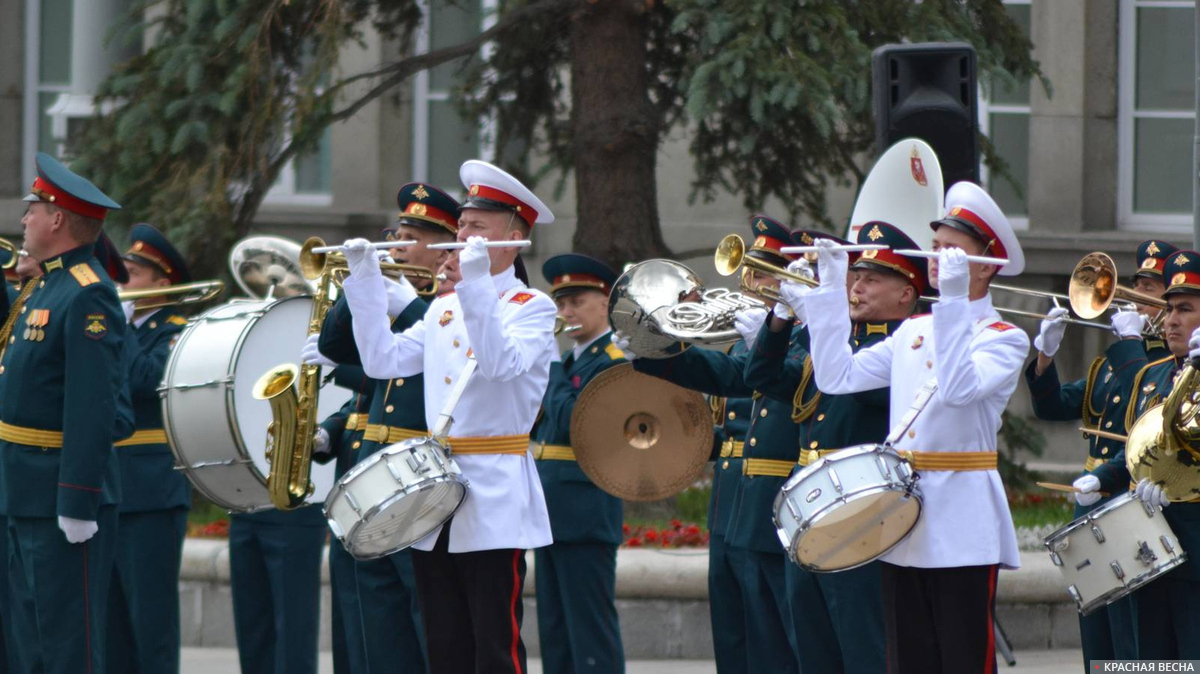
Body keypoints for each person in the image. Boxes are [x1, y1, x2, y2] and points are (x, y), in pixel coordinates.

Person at [784, 181, 1028, 673]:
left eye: (952, 250)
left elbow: (959, 389)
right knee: (908, 660)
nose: (937, 257)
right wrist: (831, 284)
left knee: (961, 658)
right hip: (903, 515)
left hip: (962, 520)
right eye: (936, 246)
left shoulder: (1005, 337)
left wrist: (956, 298)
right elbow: (837, 376)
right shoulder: (915, 330)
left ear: (986, 263)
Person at [338, 160, 555, 674]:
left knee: (494, 645)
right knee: (445, 643)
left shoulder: (531, 306)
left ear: (514, 235)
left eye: (477, 226)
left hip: (494, 490)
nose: (462, 235)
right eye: (462, 225)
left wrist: (477, 282)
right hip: (437, 490)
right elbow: (381, 361)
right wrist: (366, 283)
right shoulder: (443, 308)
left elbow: (501, 364)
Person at [614, 215, 803, 674]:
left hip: (777, 496)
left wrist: (768, 340)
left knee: (778, 640)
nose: (752, 282)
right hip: (734, 501)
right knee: (734, 631)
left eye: (766, 273)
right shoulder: (750, 340)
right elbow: (726, 376)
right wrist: (653, 352)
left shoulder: (803, 337)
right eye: (751, 272)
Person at [747, 221, 927, 674]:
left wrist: (821, 320)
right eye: (855, 276)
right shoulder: (837, 343)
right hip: (812, 508)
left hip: (865, 511)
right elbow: (764, 378)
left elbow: (856, 390)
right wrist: (781, 317)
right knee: (814, 646)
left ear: (906, 294)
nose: (856, 287)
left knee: (863, 645)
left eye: (871, 279)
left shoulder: (902, 348)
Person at [311, 181, 463, 674]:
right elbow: (336, 347)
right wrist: (360, 287)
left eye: (411, 236)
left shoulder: (453, 300)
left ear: (442, 247)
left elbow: (456, 362)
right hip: (372, 473)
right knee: (373, 626)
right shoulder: (391, 294)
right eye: (397, 233)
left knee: (424, 621)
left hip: (421, 478)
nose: (397, 244)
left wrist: (409, 305)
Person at [2, 152, 127, 673]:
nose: (25, 218)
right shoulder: (46, 287)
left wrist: (77, 500)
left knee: (65, 647)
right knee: (27, 644)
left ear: (57, 219)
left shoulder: (87, 294)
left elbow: (92, 406)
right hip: (21, 488)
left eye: (34, 208)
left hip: (57, 496)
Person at [1024, 239, 1174, 667]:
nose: (1139, 300)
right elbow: (1051, 407)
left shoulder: (1164, 363)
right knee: (1095, 622)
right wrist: (1045, 357)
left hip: (1134, 498)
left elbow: (1144, 408)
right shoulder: (1112, 362)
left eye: (1151, 291)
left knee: (1132, 630)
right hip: (1091, 499)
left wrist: (1130, 343)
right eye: (1138, 286)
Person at [1096, 249, 1200, 660]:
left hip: (1196, 549)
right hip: (1150, 548)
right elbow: (1137, 449)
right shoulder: (1152, 376)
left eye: (1185, 310)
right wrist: (1103, 477)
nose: (1170, 320)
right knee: (1149, 661)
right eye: (1170, 309)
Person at [100, 223, 194, 674]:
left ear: (163, 283)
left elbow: (146, 383)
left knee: (150, 623)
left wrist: (120, 331)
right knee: (111, 625)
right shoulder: (118, 327)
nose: (121, 283)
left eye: (132, 274)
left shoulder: (175, 331)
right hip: (111, 484)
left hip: (152, 490)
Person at [530, 253, 626, 674]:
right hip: (553, 511)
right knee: (555, 631)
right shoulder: (572, 361)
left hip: (585, 512)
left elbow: (573, 423)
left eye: (576, 302)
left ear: (604, 304)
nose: (565, 313)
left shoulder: (613, 361)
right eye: (560, 303)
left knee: (589, 631)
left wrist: (549, 365)